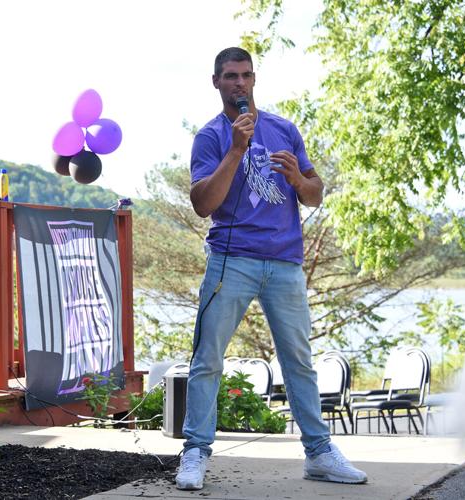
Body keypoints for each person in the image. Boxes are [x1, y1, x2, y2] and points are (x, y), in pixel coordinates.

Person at [175, 47, 368, 491]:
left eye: (245, 75)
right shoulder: (211, 136)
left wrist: (299, 179)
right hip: (232, 260)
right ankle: (195, 452)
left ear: (254, 79)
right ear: (216, 82)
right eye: (230, 76)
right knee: (207, 358)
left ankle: (319, 453)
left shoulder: (284, 129)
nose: (239, 83)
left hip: (284, 262)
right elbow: (203, 204)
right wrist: (236, 150)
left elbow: (315, 194)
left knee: (299, 361)